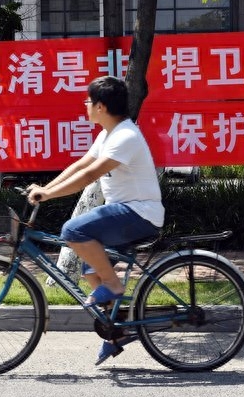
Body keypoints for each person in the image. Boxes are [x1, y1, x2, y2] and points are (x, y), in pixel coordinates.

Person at [27, 76, 164, 364]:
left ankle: (114, 285)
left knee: (72, 230)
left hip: (139, 213)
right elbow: (81, 165)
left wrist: (48, 195)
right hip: (125, 212)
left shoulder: (125, 136)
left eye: (88, 101)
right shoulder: (108, 134)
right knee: (90, 272)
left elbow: (90, 176)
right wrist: (45, 188)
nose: (85, 106)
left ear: (101, 106)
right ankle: (116, 333)